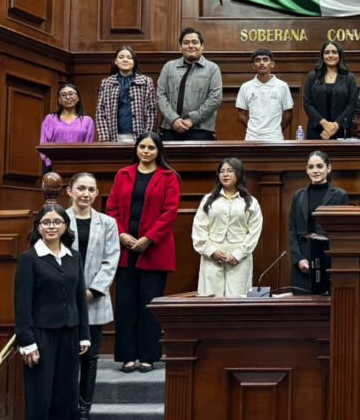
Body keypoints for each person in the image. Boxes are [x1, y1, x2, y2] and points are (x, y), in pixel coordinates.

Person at [106, 132, 180, 374]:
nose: (146, 151)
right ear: (136, 149)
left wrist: (148, 239)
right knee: (126, 304)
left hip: (154, 250)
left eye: (151, 147)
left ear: (159, 151)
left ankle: (148, 356)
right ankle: (127, 356)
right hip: (126, 249)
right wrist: (122, 235)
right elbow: (112, 208)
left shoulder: (169, 177)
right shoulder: (122, 174)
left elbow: (170, 212)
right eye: (142, 147)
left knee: (149, 305)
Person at [15, 204, 90, 420]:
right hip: (41, 336)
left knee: (67, 396)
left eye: (57, 222)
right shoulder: (29, 258)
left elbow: (79, 299)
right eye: (46, 222)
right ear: (38, 227)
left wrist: (84, 334)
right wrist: (27, 341)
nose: (51, 226)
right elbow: (22, 303)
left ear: (65, 226)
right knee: (41, 397)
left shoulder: (74, 256)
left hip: (70, 332)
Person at [65, 173, 120, 419]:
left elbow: (111, 260)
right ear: (70, 191)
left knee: (90, 359)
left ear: (97, 193)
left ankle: (84, 409)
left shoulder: (107, 223)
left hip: (93, 299)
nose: (85, 194)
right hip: (64, 300)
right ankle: (65, 406)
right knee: (66, 357)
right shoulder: (58, 219)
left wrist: (91, 291)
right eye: (81, 188)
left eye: (91, 189)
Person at [191, 158, 263, 297]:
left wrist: (237, 254)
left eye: (230, 171)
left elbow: (254, 232)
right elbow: (199, 229)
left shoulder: (250, 202)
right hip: (211, 257)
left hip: (239, 259)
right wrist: (211, 251)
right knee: (211, 301)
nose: (225, 174)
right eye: (222, 171)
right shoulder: (208, 200)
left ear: (239, 174)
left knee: (237, 301)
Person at [287, 151, 348, 294]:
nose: (315, 171)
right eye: (311, 167)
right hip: (303, 258)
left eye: (319, 166)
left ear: (328, 168)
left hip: (327, 257)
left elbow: (343, 232)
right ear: (307, 170)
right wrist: (298, 259)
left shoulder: (340, 195)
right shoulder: (299, 195)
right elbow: (292, 231)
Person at [156, 27, 223, 140]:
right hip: (170, 129)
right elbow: (160, 95)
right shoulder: (169, 67)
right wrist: (174, 119)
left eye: (195, 42)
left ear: (202, 46)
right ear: (180, 47)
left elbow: (215, 99)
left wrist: (192, 119)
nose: (190, 46)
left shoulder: (212, 69)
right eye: (186, 43)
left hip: (201, 130)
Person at [96, 46, 157, 143]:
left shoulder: (146, 82)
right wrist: (104, 138)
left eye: (129, 57)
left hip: (140, 136)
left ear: (134, 61)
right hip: (113, 136)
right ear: (115, 61)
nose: (125, 60)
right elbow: (101, 112)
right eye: (121, 57)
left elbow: (151, 111)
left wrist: (147, 137)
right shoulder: (106, 83)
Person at [302, 40, 358, 140]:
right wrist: (324, 123)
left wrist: (335, 125)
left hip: (341, 130)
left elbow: (352, 105)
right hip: (317, 130)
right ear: (322, 56)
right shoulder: (312, 77)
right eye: (327, 52)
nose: (330, 55)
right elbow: (307, 103)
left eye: (334, 52)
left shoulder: (349, 78)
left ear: (340, 55)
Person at [235, 49, 293, 141]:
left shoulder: (282, 86)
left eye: (265, 59)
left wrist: (277, 130)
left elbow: (288, 114)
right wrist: (253, 128)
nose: (261, 63)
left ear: (272, 64)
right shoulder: (246, 87)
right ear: (254, 66)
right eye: (257, 60)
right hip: (252, 138)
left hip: (275, 138)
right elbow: (240, 114)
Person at [40, 83, 95, 171]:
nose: (68, 97)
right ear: (59, 100)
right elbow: (43, 144)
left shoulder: (87, 121)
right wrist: (51, 163)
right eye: (63, 95)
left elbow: (88, 146)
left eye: (71, 94)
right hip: (53, 166)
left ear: (78, 98)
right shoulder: (50, 119)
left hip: (79, 166)